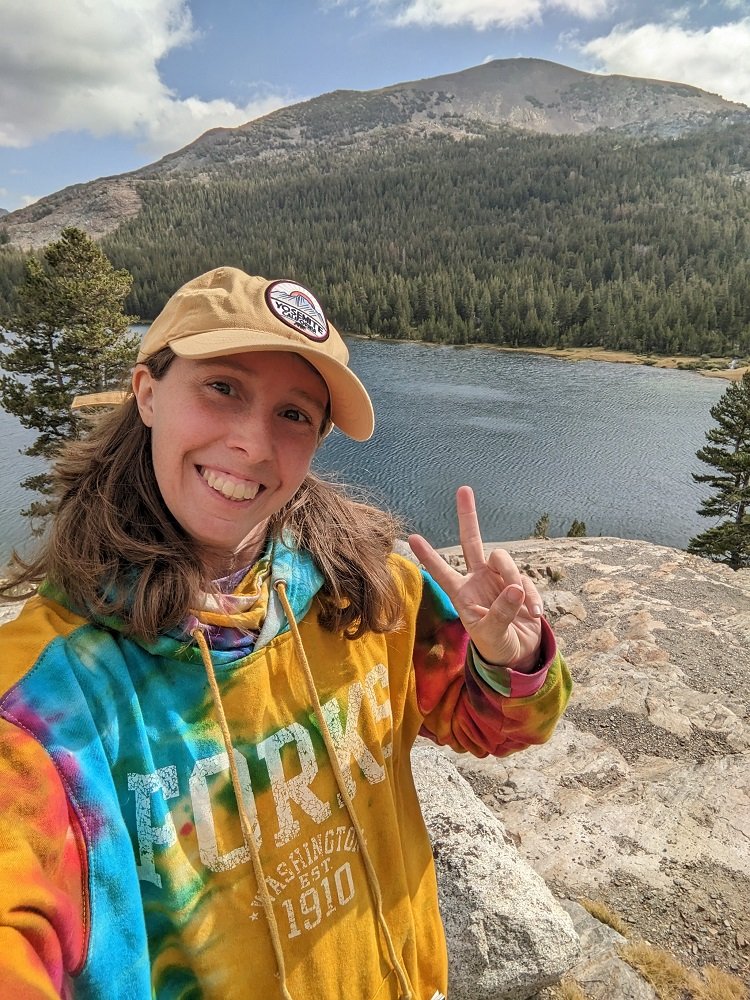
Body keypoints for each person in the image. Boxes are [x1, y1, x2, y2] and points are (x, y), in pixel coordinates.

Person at [0, 267, 571, 1000]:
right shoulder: (45, 701)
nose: (253, 444)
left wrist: (509, 660)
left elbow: (504, 727)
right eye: (224, 388)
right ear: (147, 392)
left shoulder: (367, 592)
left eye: (294, 415)